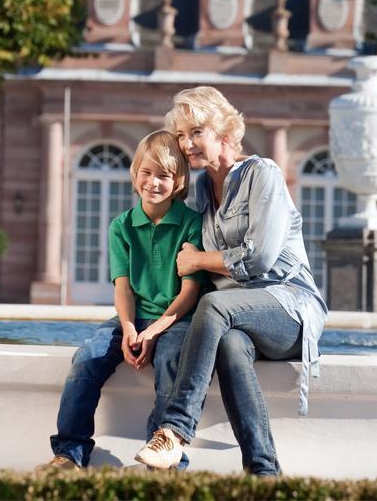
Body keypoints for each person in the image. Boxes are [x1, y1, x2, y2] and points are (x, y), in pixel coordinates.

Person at [134, 86, 326, 475]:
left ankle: (174, 430)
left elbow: (259, 258)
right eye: (182, 135)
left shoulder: (262, 174)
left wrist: (199, 258)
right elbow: (180, 265)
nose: (186, 144)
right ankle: (263, 471)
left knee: (216, 304)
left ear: (224, 133)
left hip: (289, 308)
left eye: (196, 132)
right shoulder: (200, 193)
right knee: (232, 347)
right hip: (237, 319)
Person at [41, 130, 205, 470]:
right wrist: (130, 329)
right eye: (147, 172)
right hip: (133, 317)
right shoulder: (122, 226)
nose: (153, 182)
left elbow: (190, 292)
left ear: (178, 182)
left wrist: (154, 331)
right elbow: (123, 289)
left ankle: (165, 458)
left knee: (172, 363)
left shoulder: (192, 223)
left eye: (163, 175)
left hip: (176, 319)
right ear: (135, 174)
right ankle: (69, 452)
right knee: (86, 357)